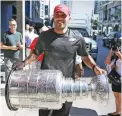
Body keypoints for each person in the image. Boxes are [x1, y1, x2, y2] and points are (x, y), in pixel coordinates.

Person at [14, 4, 105, 116]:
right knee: (44, 114)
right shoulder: (44, 36)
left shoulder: (77, 38)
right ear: (54, 16)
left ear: (69, 18)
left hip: (67, 86)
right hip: (45, 85)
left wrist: (95, 67)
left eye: (63, 15)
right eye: (57, 15)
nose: (60, 18)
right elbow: (35, 54)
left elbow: (85, 57)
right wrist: (23, 63)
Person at [105, 48, 122, 116]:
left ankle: (119, 112)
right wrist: (110, 52)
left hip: (120, 80)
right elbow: (106, 62)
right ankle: (117, 111)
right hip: (114, 80)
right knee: (116, 96)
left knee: (119, 96)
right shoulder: (114, 60)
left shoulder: (120, 59)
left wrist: (119, 54)